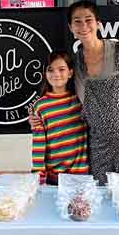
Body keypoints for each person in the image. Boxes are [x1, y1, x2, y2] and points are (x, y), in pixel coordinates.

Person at [30, 1, 119, 184]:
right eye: (77, 21)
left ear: (98, 24)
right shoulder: (76, 63)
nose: (83, 26)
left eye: (88, 20)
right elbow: (63, 100)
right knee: (101, 202)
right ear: (71, 27)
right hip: (98, 148)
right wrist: (36, 116)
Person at [31, 51, 89, 185]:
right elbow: (38, 144)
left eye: (61, 69)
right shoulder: (41, 106)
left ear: (70, 72)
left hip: (81, 176)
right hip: (54, 178)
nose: (56, 74)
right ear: (45, 74)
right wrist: (38, 178)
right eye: (50, 70)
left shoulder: (80, 100)